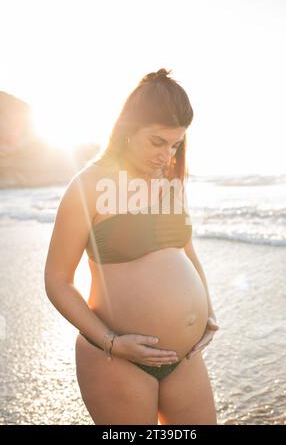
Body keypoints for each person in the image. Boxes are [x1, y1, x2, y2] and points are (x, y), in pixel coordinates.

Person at [44, 68, 219, 425]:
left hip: (184, 358)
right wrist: (110, 342)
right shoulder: (89, 185)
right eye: (157, 142)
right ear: (126, 131)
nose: (167, 155)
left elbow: (186, 253)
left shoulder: (169, 182)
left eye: (175, 144)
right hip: (117, 359)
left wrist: (207, 312)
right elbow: (57, 281)